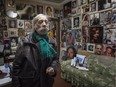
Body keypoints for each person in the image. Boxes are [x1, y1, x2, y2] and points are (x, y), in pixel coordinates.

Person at [12, 14, 58, 87]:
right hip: (29, 83)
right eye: (40, 22)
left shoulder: (52, 42)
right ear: (34, 25)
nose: (44, 24)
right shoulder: (24, 42)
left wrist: (53, 68)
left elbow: (55, 59)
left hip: (46, 82)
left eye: (46, 22)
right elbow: (16, 67)